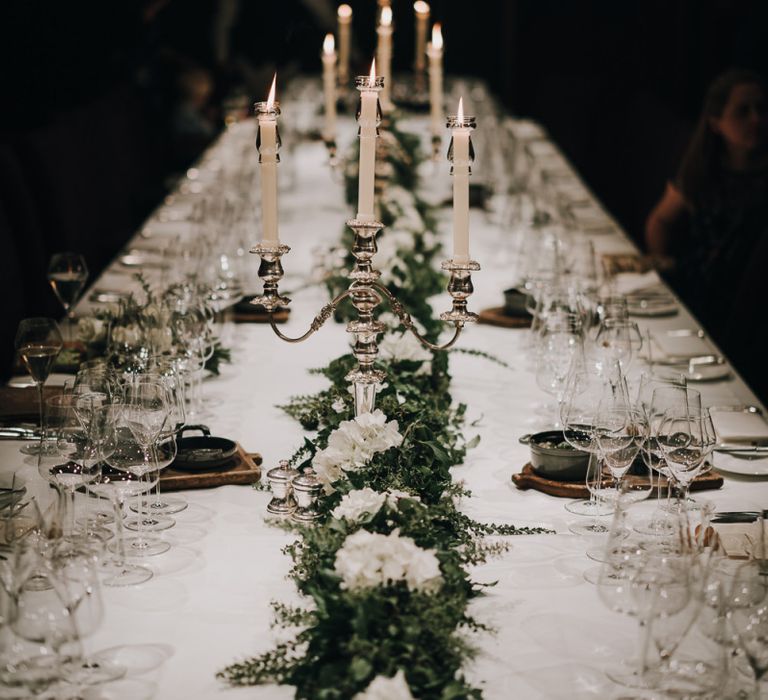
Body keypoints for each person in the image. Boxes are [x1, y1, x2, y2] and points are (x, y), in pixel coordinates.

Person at [645, 69, 768, 402]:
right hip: (697, 294)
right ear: (715, 122)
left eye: (761, 109)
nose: (756, 119)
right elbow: (659, 221)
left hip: (747, 313)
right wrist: (663, 261)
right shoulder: (704, 172)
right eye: (743, 111)